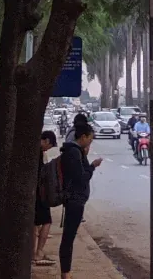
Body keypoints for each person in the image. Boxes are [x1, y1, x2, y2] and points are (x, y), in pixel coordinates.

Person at [58, 114, 101, 279]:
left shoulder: (72, 150)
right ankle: (65, 273)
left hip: (75, 199)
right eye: (89, 140)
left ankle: (66, 271)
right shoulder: (74, 153)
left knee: (69, 236)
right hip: (74, 200)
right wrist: (92, 166)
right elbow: (81, 177)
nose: (90, 143)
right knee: (68, 237)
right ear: (82, 137)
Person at [34, 129, 61, 266]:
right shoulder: (40, 153)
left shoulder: (35, 151)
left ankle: (33, 252)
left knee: (35, 223)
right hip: (40, 193)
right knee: (46, 221)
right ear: (47, 141)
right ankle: (38, 252)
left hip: (34, 192)